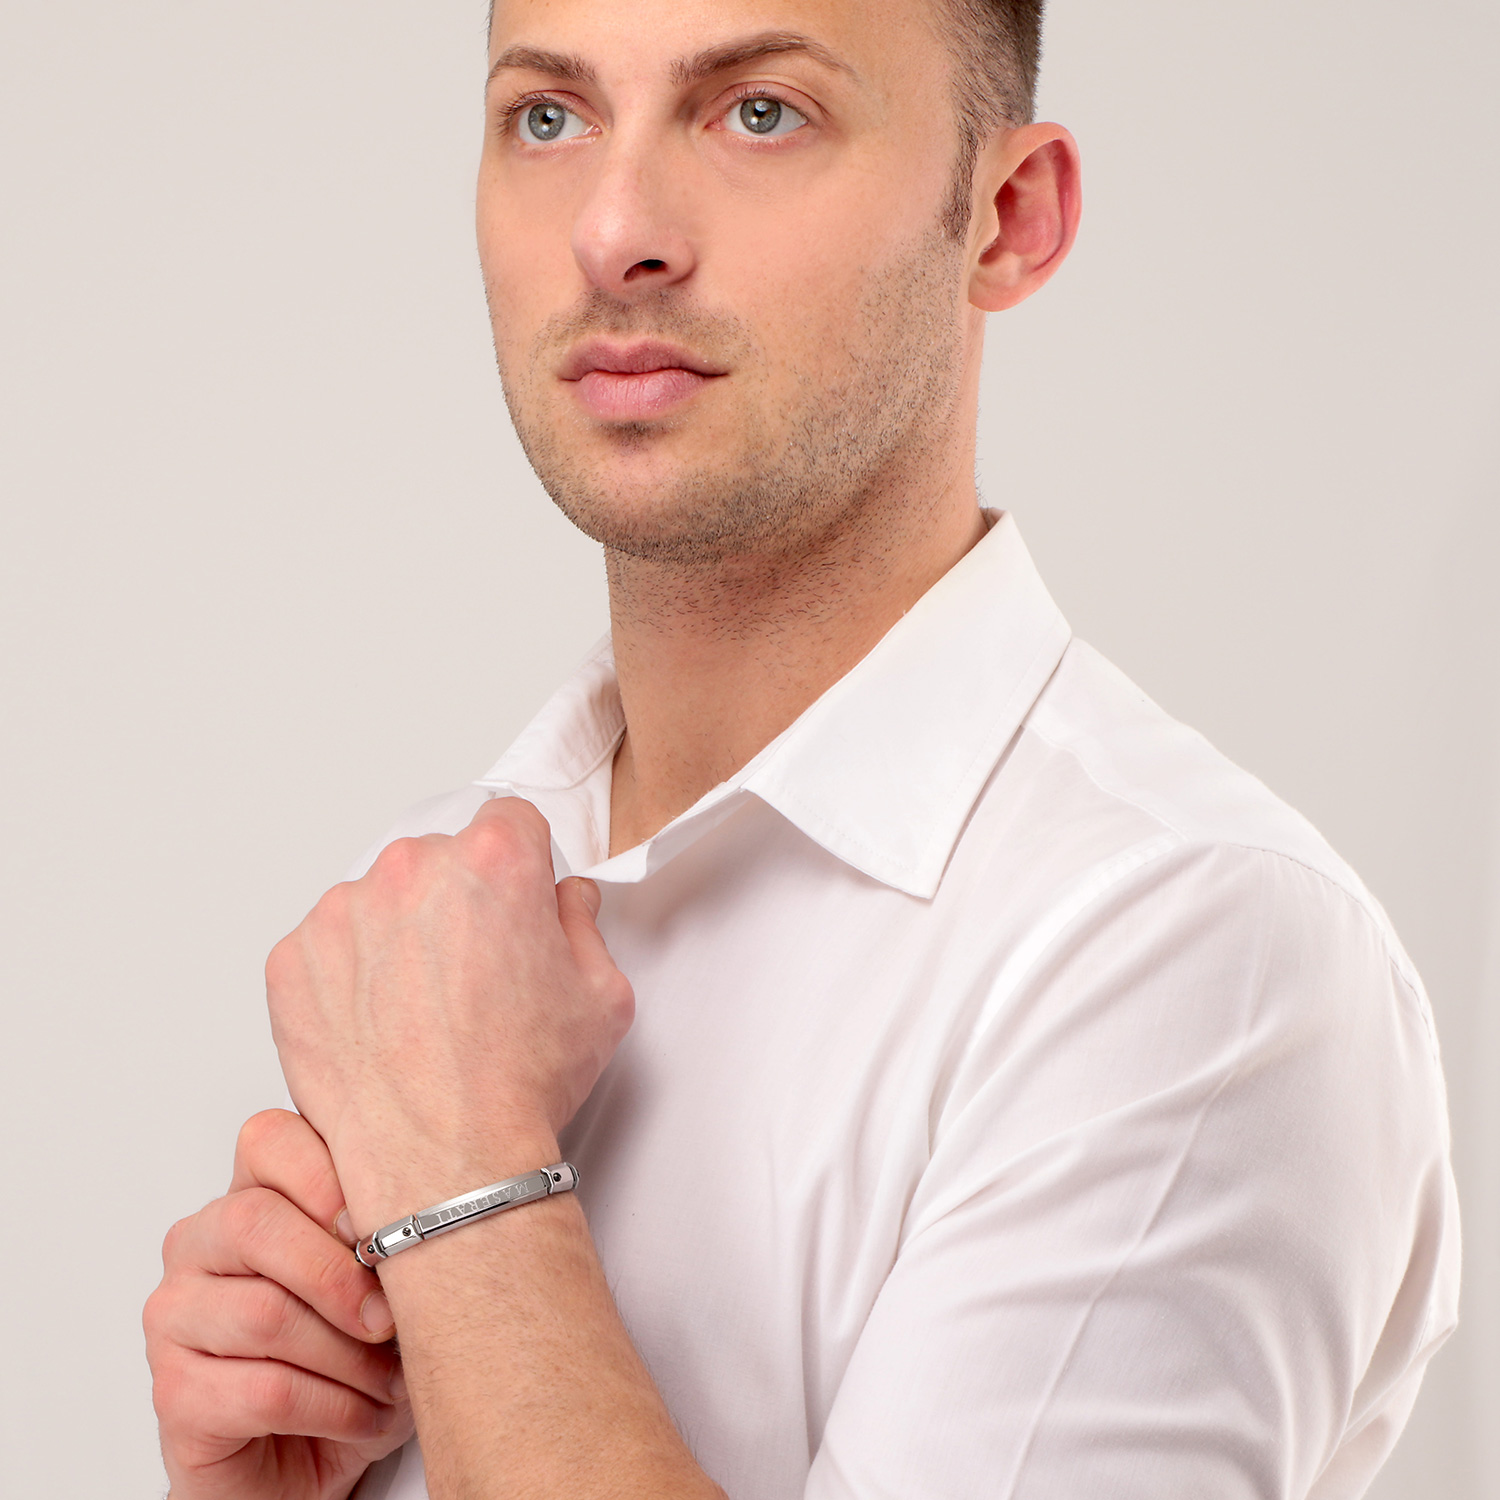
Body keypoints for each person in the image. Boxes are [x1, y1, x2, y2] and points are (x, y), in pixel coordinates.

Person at [143, 0, 1460, 1496]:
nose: (614, 233)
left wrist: (460, 1186)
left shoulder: (1198, 955)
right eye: (549, 117)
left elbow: (465, 1187)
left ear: (1008, 218)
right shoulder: (426, 921)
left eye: (759, 112)